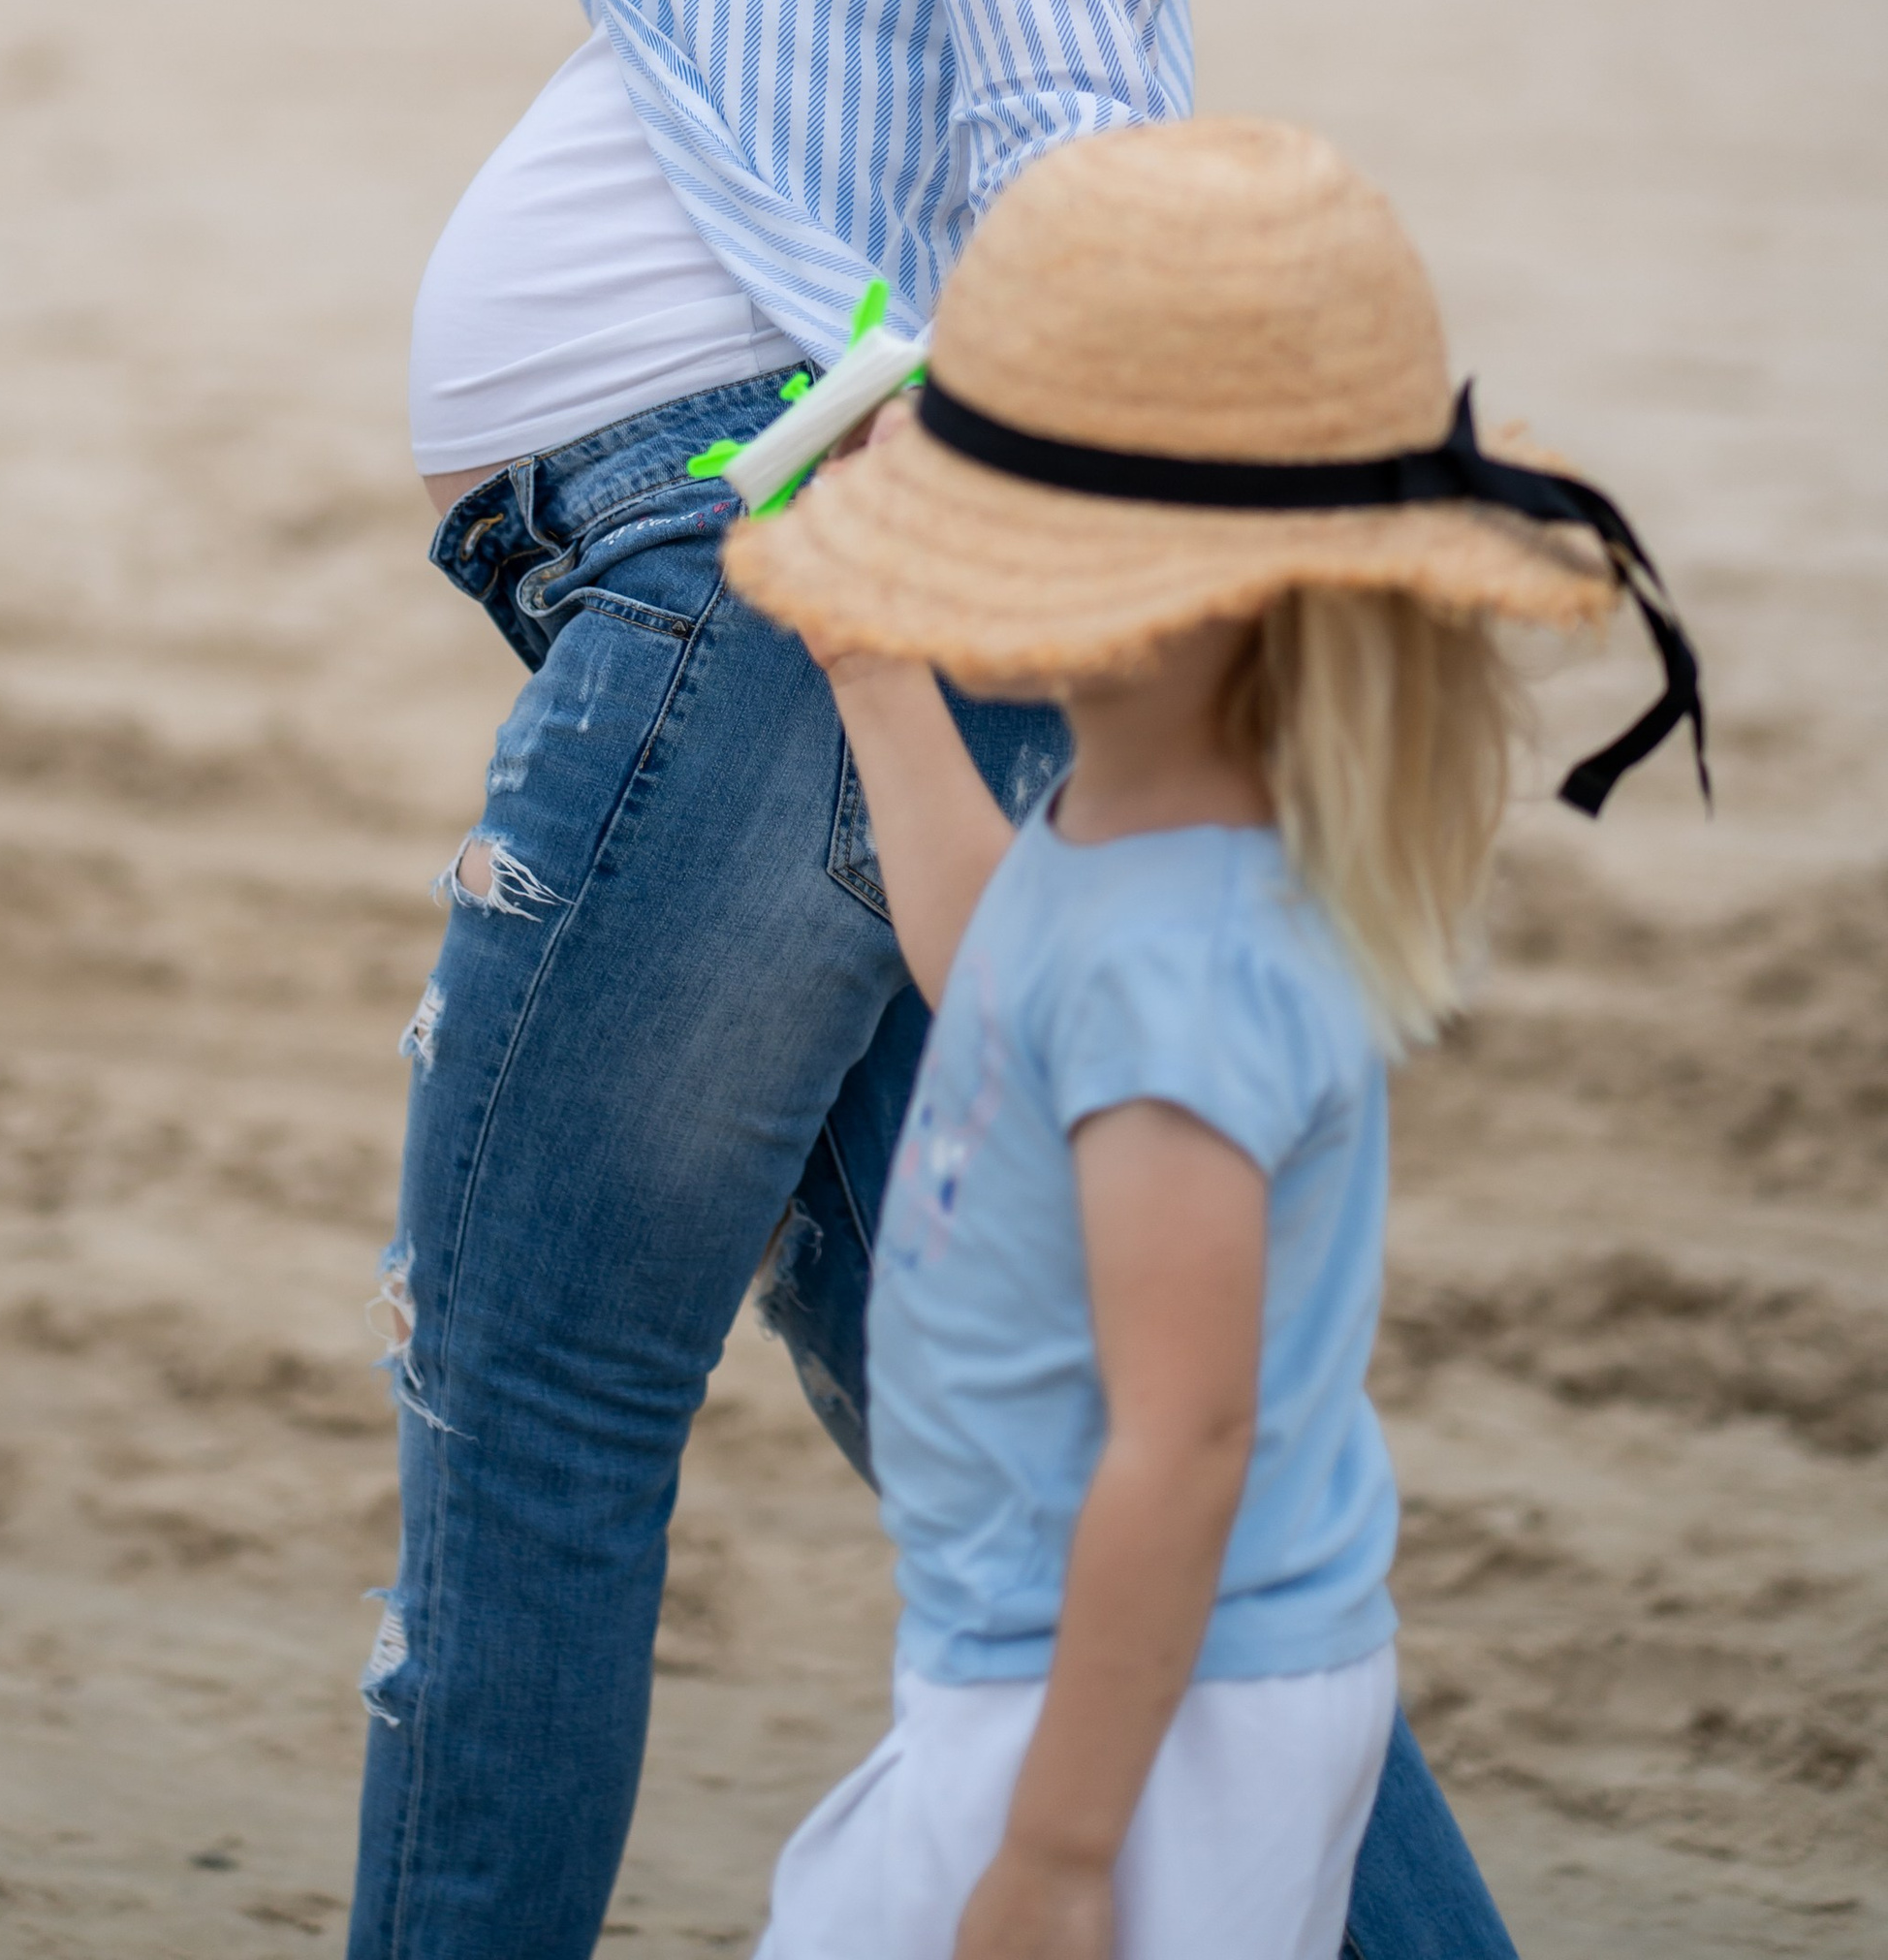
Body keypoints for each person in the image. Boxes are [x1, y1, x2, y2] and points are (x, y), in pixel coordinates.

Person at [352, 0, 1524, 1960]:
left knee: (534, 1413)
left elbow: (1059, 143)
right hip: (765, 600)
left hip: (774, 589)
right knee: (982, 1404)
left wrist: (1040, 580)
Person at [727, 112, 1698, 1959]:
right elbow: (988, 961)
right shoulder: (1137, 832)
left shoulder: (1191, 969)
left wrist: (1067, 1849)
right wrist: (870, 670)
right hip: (1078, 1665)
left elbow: (1188, 1436)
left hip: (1140, 1717)